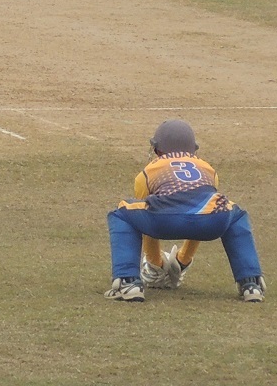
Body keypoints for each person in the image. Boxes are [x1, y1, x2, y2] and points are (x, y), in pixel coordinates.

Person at [104, 119, 267, 303]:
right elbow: (201, 207)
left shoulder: (150, 170)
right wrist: (182, 260)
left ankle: (128, 282)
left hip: (164, 219)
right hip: (212, 222)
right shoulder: (208, 169)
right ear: (193, 149)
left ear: (158, 150)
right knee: (236, 215)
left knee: (122, 213)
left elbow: (148, 207)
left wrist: (155, 261)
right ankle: (250, 283)